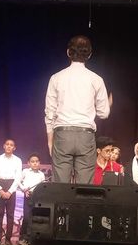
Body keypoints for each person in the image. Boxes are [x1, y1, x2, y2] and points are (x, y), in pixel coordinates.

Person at [44, 35, 111, 183]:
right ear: (89, 54)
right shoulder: (96, 79)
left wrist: (50, 140)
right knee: (84, 189)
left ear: (68, 52)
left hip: (62, 135)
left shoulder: (56, 78)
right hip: (86, 136)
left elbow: (50, 111)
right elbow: (104, 113)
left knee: (60, 187)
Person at [0, 139, 22, 245]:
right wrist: (0, 189)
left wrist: (10, 192)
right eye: (7, 144)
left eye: (11, 145)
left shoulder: (17, 160)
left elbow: (18, 178)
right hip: (0, 184)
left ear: (14, 148)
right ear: (4, 146)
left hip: (12, 185)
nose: (9, 146)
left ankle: (8, 238)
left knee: (10, 214)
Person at [19, 153, 46, 244]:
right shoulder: (25, 171)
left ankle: (30, 238)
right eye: (32, 161)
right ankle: (22, 237)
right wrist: (24, 190)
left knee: (34, 217)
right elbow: (18, 182)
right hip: (28, 195)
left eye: (37, 161)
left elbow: (43, 186)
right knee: (27, 217)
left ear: (39, 163)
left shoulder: (41, 174)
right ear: (29, 163)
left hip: (37, 197)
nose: (35, 163)